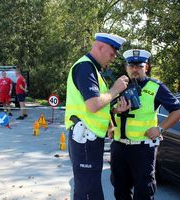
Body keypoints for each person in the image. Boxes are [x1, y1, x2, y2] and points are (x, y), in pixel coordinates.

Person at [110, 49, 180, 200]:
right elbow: (105, 110)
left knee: (144, 191)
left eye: (139, 66)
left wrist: (160, 129)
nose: (135, 69)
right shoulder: (118, 86)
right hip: (119, 146)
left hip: (143, 148)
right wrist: (115, 111)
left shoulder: (156, 87)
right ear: (126, 67)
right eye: (131, 66)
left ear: (146, 67)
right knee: (120, 190)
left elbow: (178, 111)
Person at [65, 33, 129, 200]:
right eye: (112, 53)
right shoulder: (86, 67)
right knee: (88, 191)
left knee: (87, 188)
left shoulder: (93, 69)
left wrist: (113, 114)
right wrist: (115, 89)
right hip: (85, 138)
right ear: (100, 47)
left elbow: (98, 105)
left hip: (88, 138)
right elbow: (93, 104)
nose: (113, 58)